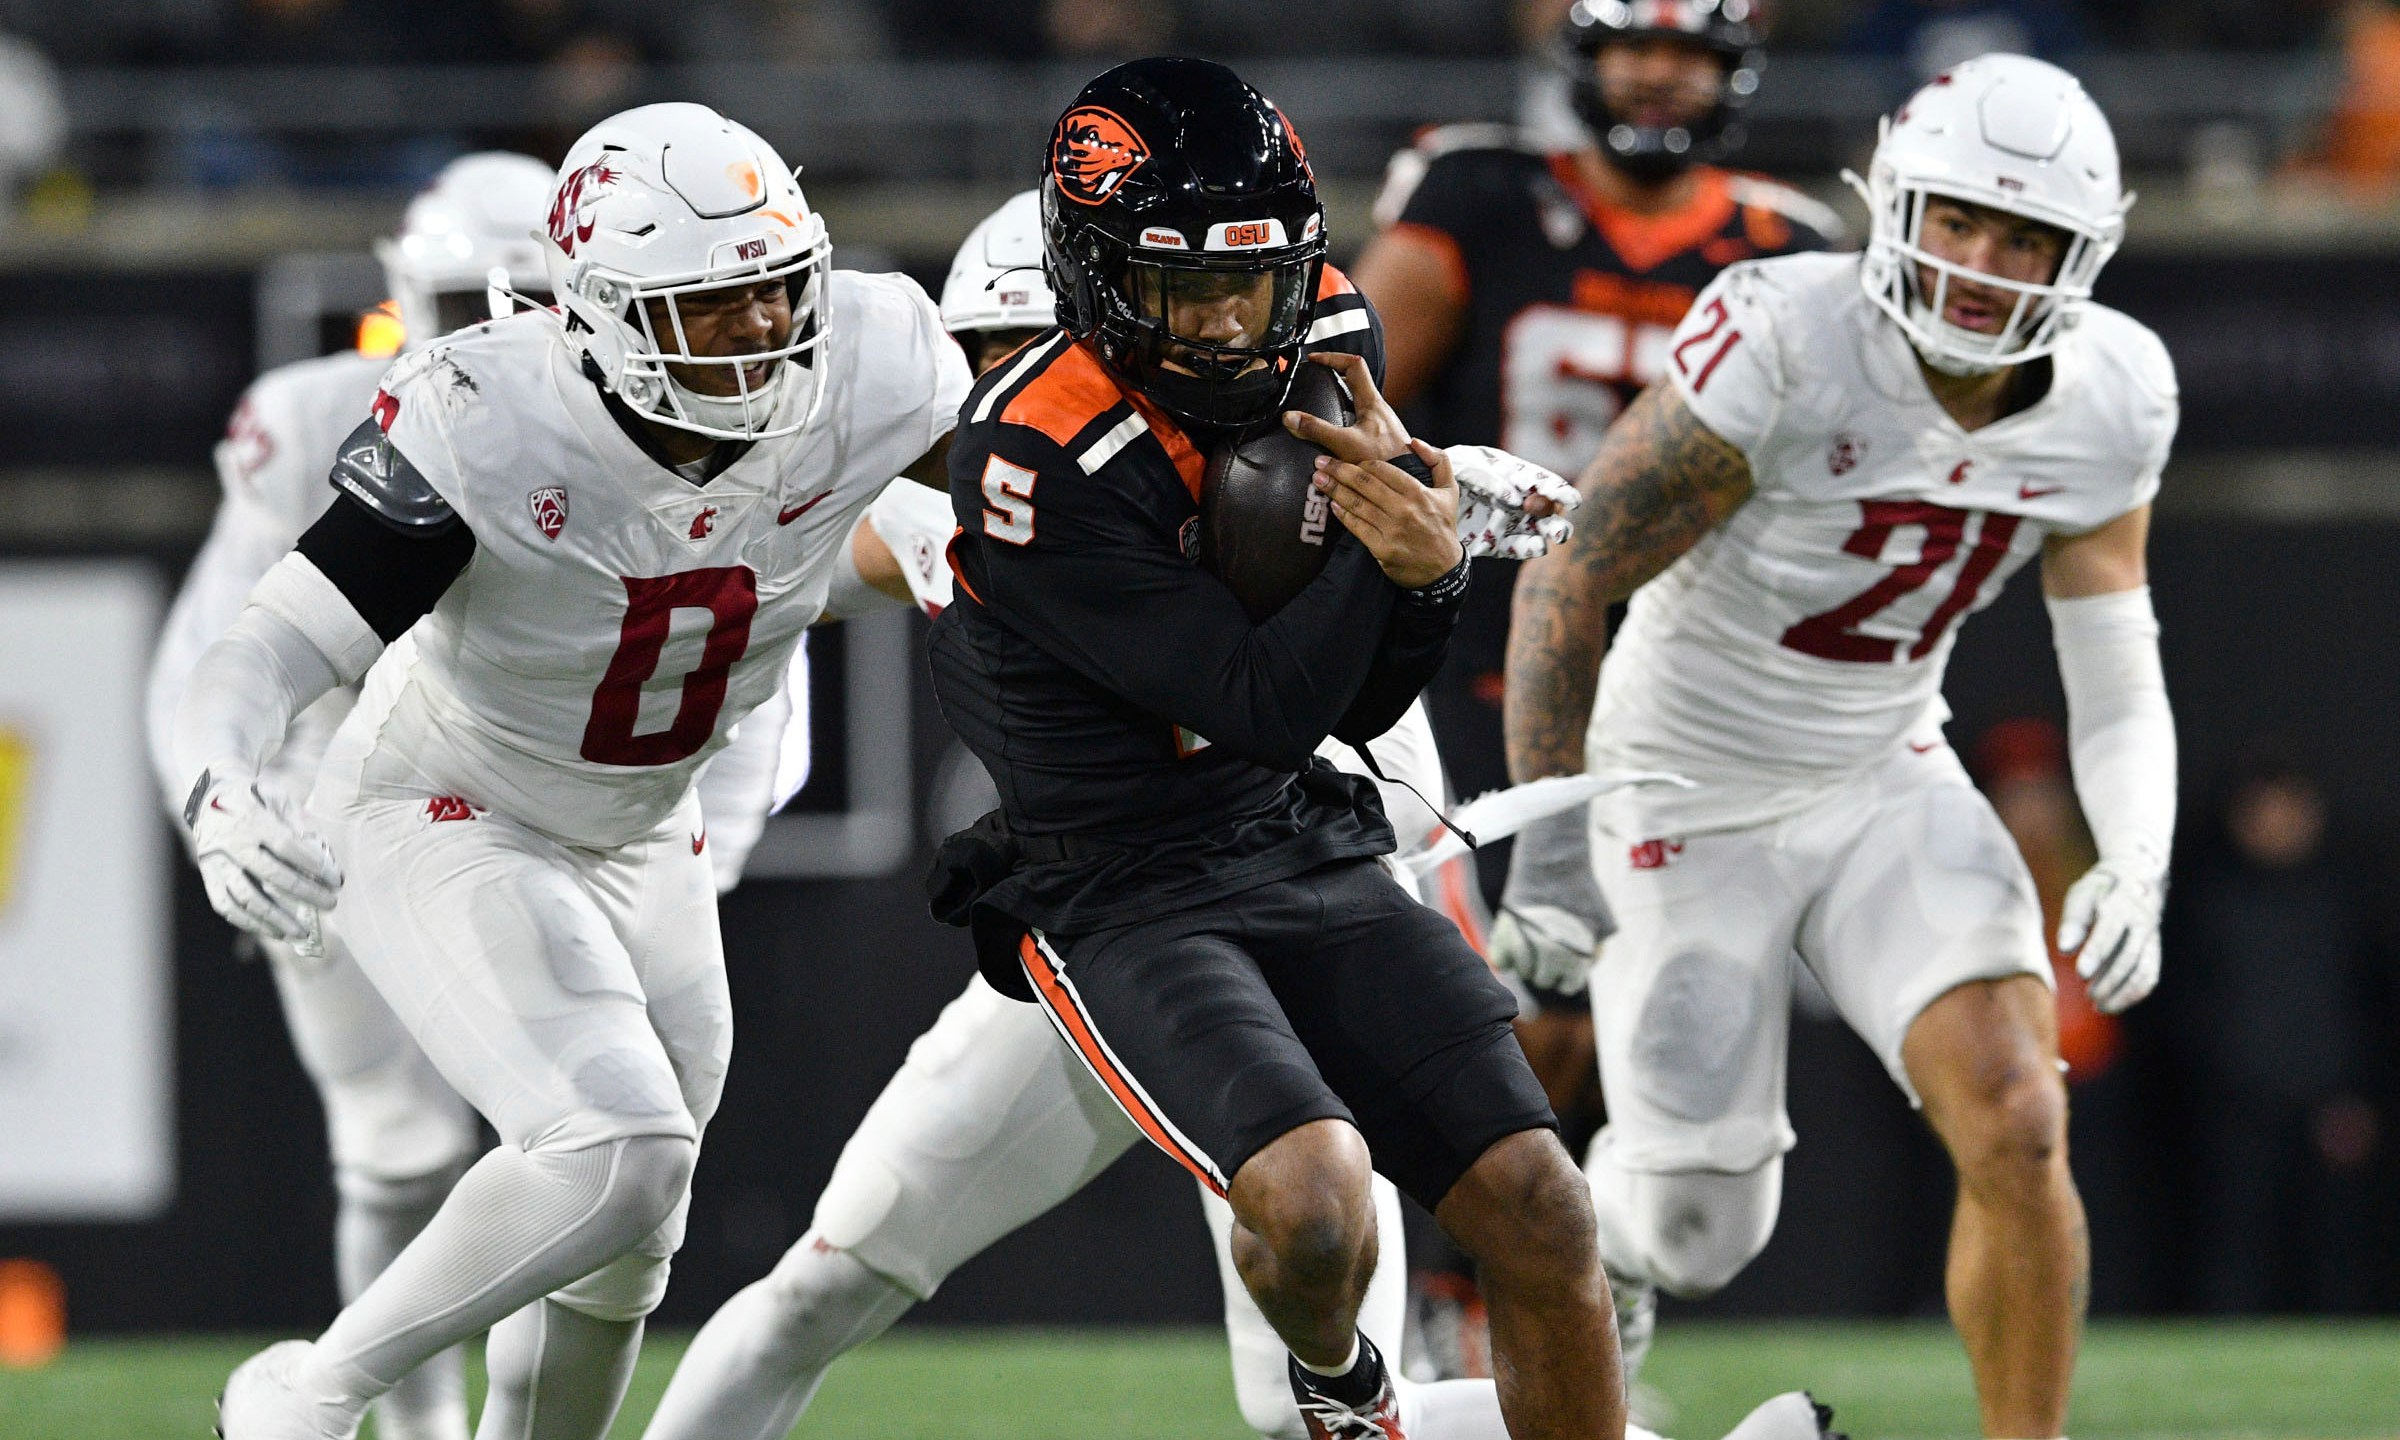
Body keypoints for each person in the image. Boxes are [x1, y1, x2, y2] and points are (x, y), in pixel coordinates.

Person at [644, 188, 1824, 1440]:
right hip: (1096, 946)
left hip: (1266, 914)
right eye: (982, 359)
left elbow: (1366, 745)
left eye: (1027, 350)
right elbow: (754, 602)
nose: (1003, 391)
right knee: (824, 1284)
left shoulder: (1264, 491)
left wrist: (1412, 557)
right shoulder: (956, 503)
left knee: (1321, 1353)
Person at [177, 102, 971, 1440]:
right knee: (621, 1149)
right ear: (595, 311)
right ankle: (301, 1398)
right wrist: (218, 782)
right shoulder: (491, 420)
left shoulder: (876, 359)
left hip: (644, 827)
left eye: (777, 289)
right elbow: (276, 638)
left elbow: (1033, 484)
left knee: (626, 1254)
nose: (761, 330)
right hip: (447, 804)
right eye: (709, 306)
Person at [921, 58, 1626, 1440]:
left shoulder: (1330, 338)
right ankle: (1339, 1381)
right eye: (1184, 287)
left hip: (1292, 830)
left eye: (1253, 279)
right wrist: (1404, 564)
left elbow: (1358, 711)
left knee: (1544, 1208)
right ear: (1097, 274)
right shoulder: (1028, 449)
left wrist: (1419, 585)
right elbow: (1256, 696)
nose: (1232, 322)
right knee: (1313, 1202)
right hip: (1119, 884)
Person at [1502, 54, 2178, 1440]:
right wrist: (1555, 842)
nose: (1981, 263)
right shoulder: (1790, 338)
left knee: (2016, 1115)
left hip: (1882, 766)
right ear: (1896, 208)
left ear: (2081, 255)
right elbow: (1567, 568)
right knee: (1700, 1233)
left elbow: (2112, 656)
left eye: (2022, 237)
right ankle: (1617, 1247)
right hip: (1682, 778)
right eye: (1955, 221)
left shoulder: (2114, 394)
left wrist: (2139, 861)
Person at [1351, 0, 1840, 1159]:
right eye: (1634, 49)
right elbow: (1355, 397)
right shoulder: (1479, 195)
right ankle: (1472, 1281)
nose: (1657, 78)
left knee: (1665, 1012)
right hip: (1491, 646)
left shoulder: (1790, 248)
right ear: (1585, 60)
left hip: (1683, 663)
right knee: (1536, 1004)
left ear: (1732, 73)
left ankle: (1580, 1264)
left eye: (1686, 54)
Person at [144, 150, 556, 1440]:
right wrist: (225, 806)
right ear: (395, 295)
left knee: (579, 1146)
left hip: (541, 806)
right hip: (339, 795)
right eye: (457, 313)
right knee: (397, 1140)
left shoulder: (640, 433)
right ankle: (421, 1428)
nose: (488, 348)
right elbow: (215, 654)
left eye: (524, 312)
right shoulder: (316, 424)